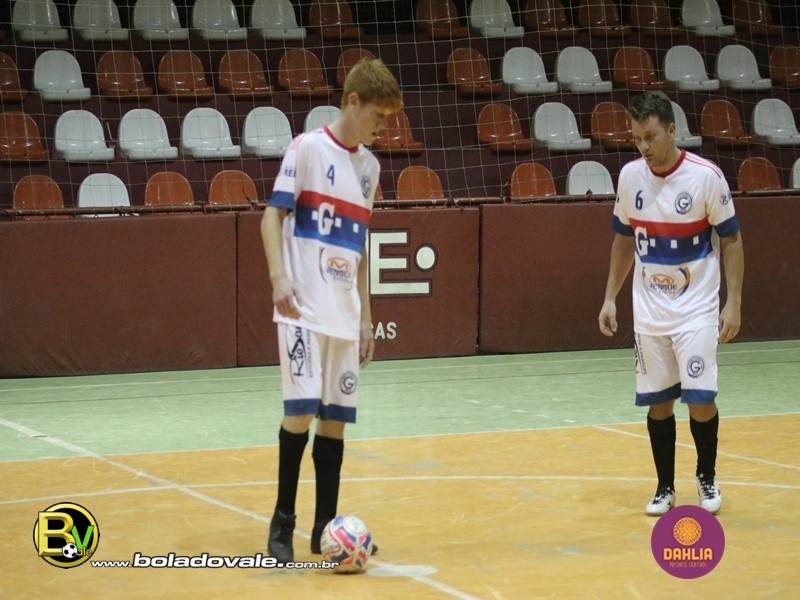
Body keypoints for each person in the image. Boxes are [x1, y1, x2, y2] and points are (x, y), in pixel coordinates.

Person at [261, 59, 403, 562]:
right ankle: (282, 523)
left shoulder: (370, 168)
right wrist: (279, 277)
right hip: (301, 307)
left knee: (335, 422)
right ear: (353, 102)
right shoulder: (307, 148)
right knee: (300, 413)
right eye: (378, 117)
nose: (383, 128)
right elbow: (271, 216)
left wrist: (365, 318)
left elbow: (358, 247)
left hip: (344, 313)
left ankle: (326, 529)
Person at [598, 91, 744, 516]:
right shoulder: (630, 176)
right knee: (659, 403)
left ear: (672, 130)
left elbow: (732, 240)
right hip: (650, 313)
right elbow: (624, 239)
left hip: (697, 309)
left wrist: (733, 303)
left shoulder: (705, 177)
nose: (643, 146)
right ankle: (665, 488)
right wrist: (609, 297)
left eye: (650, 136)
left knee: (700, 399)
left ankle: (706, 477)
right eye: (636, 138)